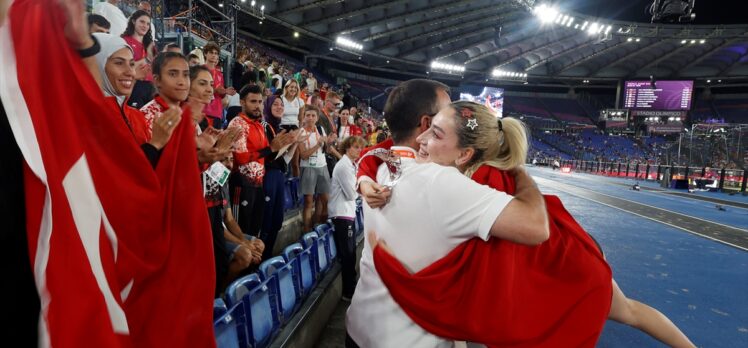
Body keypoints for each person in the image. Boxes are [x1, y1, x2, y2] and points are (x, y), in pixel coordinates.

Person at [361, 100, 696, 348]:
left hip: (566, 267)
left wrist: (395, 271)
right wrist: (363, 177)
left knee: (624, 313)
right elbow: (390, 147)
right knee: (631, 312)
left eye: (434, 133)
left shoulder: (481, 178)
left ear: (464, 153)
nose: (422, 141)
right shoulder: (475, 168)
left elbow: (531, 233)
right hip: (565, 257)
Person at [347, 80, 550, 348]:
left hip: (360, 326)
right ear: (426, 124)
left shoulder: (380, 165)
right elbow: (537, 228)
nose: (455, 113)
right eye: (447, 112)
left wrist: (362, 177)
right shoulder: (443, 183)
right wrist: (517, 169)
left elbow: (378, 150)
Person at [93, 33, 180, 168]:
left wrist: (201, 158)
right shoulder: (87, 118)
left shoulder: (136, 116)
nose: (130, 72)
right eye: (119, 63)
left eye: (132, 64)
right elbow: (121, 173)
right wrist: (155, 144)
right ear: (97, 65)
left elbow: (153, 172)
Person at [228, 85, 296, 238]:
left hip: (258, 185)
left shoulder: (259, 126)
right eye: (253, 101)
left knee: (254, 233)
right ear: (242, 102)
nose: (257, 105)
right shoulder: (237, 124)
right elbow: (241, 158)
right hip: (241, 185)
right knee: (241, 234)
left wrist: (284, 145)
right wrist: (270, 149)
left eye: (259, 102)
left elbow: (266, 157)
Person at [328, 135, 366, 301]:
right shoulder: (343, 166)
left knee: (351, 255)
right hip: (341, 213)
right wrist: (361, 188)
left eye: (360, 147)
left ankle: (351, 289)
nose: (358, 151)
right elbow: (351, 194)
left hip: (346, 213)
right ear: (347, 148)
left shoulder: (350, 165)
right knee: (348, 256)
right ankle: (348, 292)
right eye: (355, 147)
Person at [298, 106, 335, 232]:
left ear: (317, 118)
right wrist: (318, 145)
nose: (310, 118)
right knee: (308, 202)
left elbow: (326, 150)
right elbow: (303, 155)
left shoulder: (321, 129)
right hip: (308, 167)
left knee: (326, 200)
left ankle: (321, 228)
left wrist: (328, 143)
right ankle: (307, 230)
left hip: (322, 166)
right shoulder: (301, 133)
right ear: (304, 117)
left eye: (313, 115)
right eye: (308, 115)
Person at [140, 52, 189, 140]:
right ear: (157, 80)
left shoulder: (188, 114)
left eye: (186, 75)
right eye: (173, 74)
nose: (182, 82)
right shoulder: (144, 118)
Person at [122, 10, 156, 108]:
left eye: (148, 24)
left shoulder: (150, 45)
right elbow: (125, 68)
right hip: (134, 86)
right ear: (133, 21)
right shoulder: (124, 41)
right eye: (142, 22)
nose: (145, 25)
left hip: (151, 87)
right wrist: (147, 59)